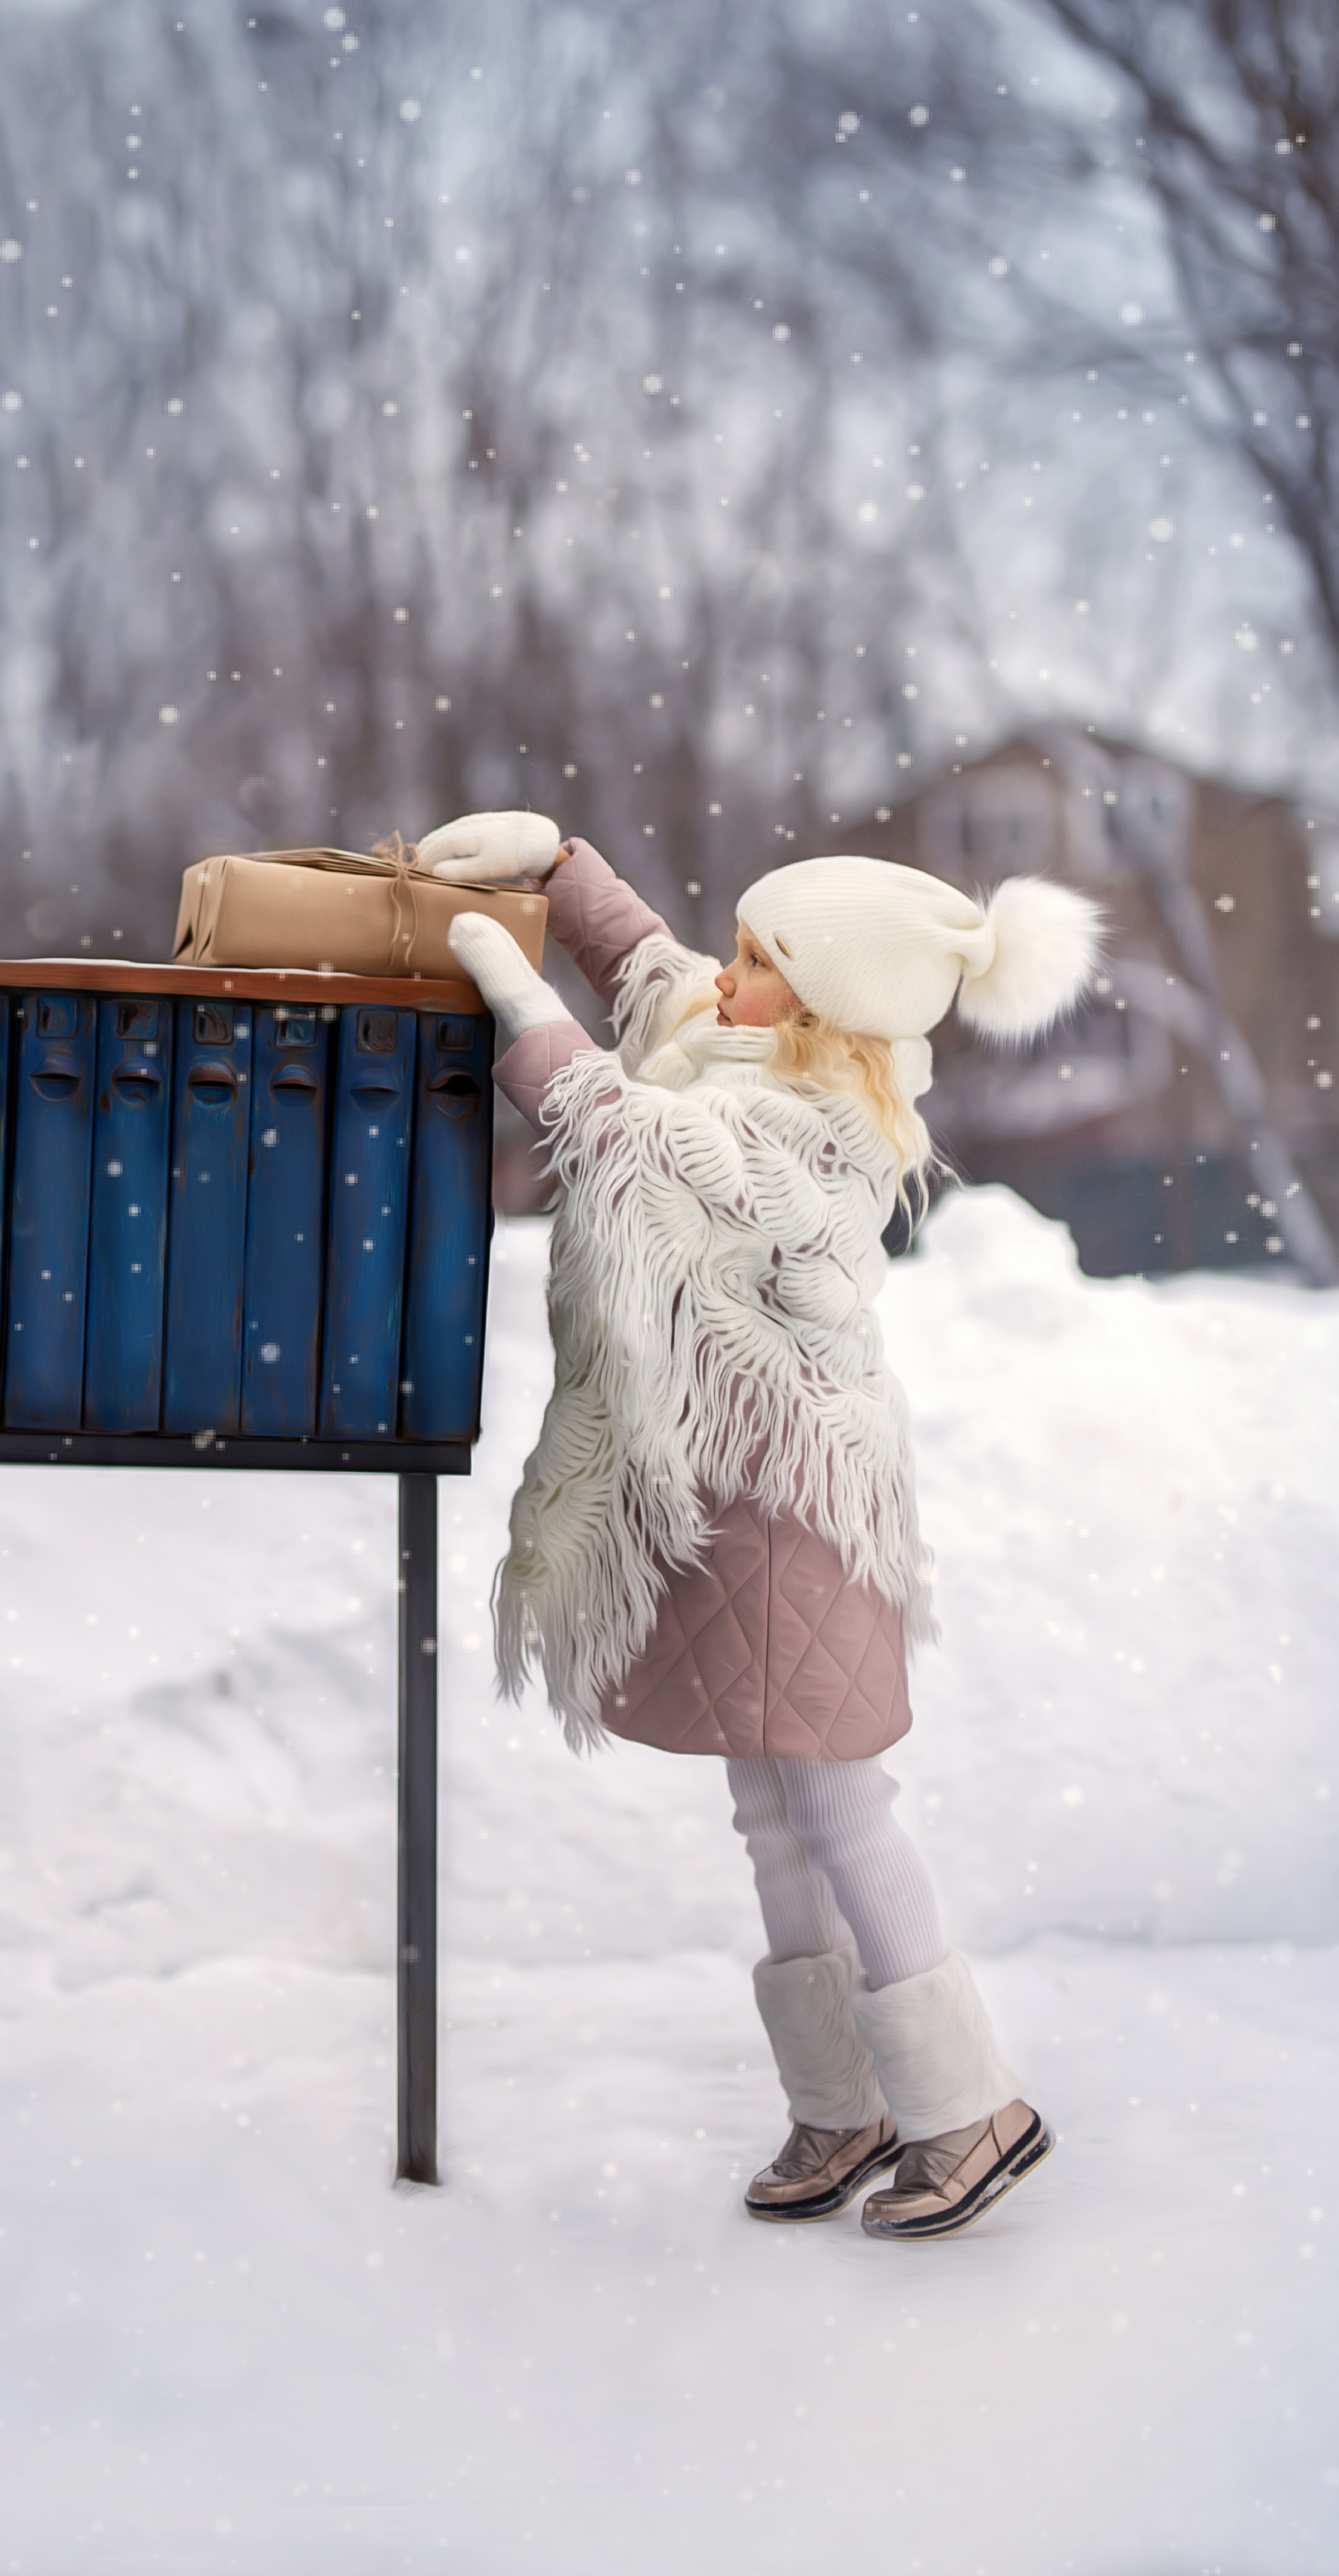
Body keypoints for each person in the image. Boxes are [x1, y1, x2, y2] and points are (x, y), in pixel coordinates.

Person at [417, 810, 1102, 2242]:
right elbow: (656, 972)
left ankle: (971, 2108)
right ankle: (843, 2100)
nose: (722, 974)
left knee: (836, 1798)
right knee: (768, 1802)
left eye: (757, 959)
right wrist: (560, 868)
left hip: (794, 1495)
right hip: (731, 1499)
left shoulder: (821, 1129)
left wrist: (522, 1007)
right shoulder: (743, 1041)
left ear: (828, 1002)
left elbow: (632, 1143)